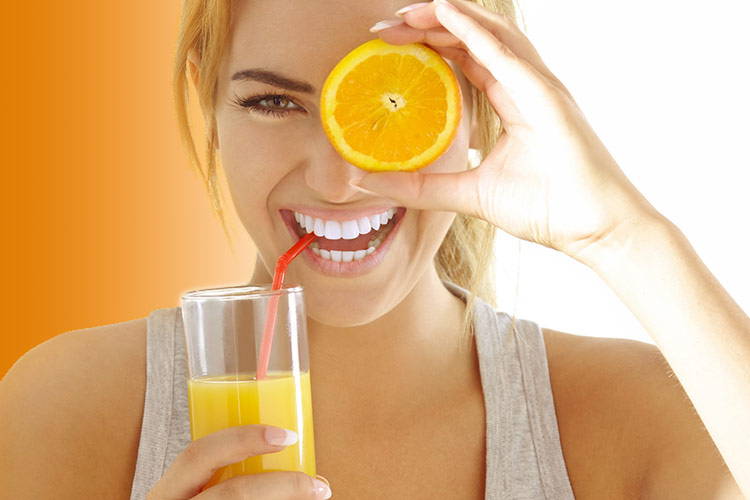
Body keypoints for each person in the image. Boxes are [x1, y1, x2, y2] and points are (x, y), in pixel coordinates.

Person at [1, 0, 747, 498]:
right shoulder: (70, 410)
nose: (338, 181)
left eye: (396, 101)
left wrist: (621, 235)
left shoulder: (638, 416)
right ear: (208, 103)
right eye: (273, 103)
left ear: (485, 107)